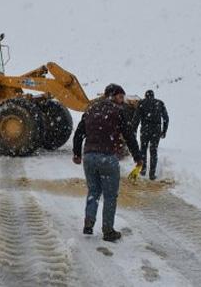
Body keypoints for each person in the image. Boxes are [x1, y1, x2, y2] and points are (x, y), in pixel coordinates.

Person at [72, 83, 143, 242]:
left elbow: (78, 133)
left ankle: (89, 224)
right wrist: (137, 157)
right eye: (120, 96)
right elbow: (129, 136)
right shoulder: (118, 112)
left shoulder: (90, 110)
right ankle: (108, 230)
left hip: (89, 157)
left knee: (94, 191)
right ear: (111, 96)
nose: (122, 100)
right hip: (107, 158)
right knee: (110, 196)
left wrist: (77, 153)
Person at [132, 90, 169, 180]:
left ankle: (143, 170)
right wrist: (164, 131)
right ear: (153, 96)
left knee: (143, 150)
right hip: (156, 130)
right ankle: (152, 174)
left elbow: (136, 118)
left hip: (145, 129)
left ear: (145, 96)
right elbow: (166, 118)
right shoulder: (159, 103)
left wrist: (134, 131)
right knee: (153, 150)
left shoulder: (142, 103)